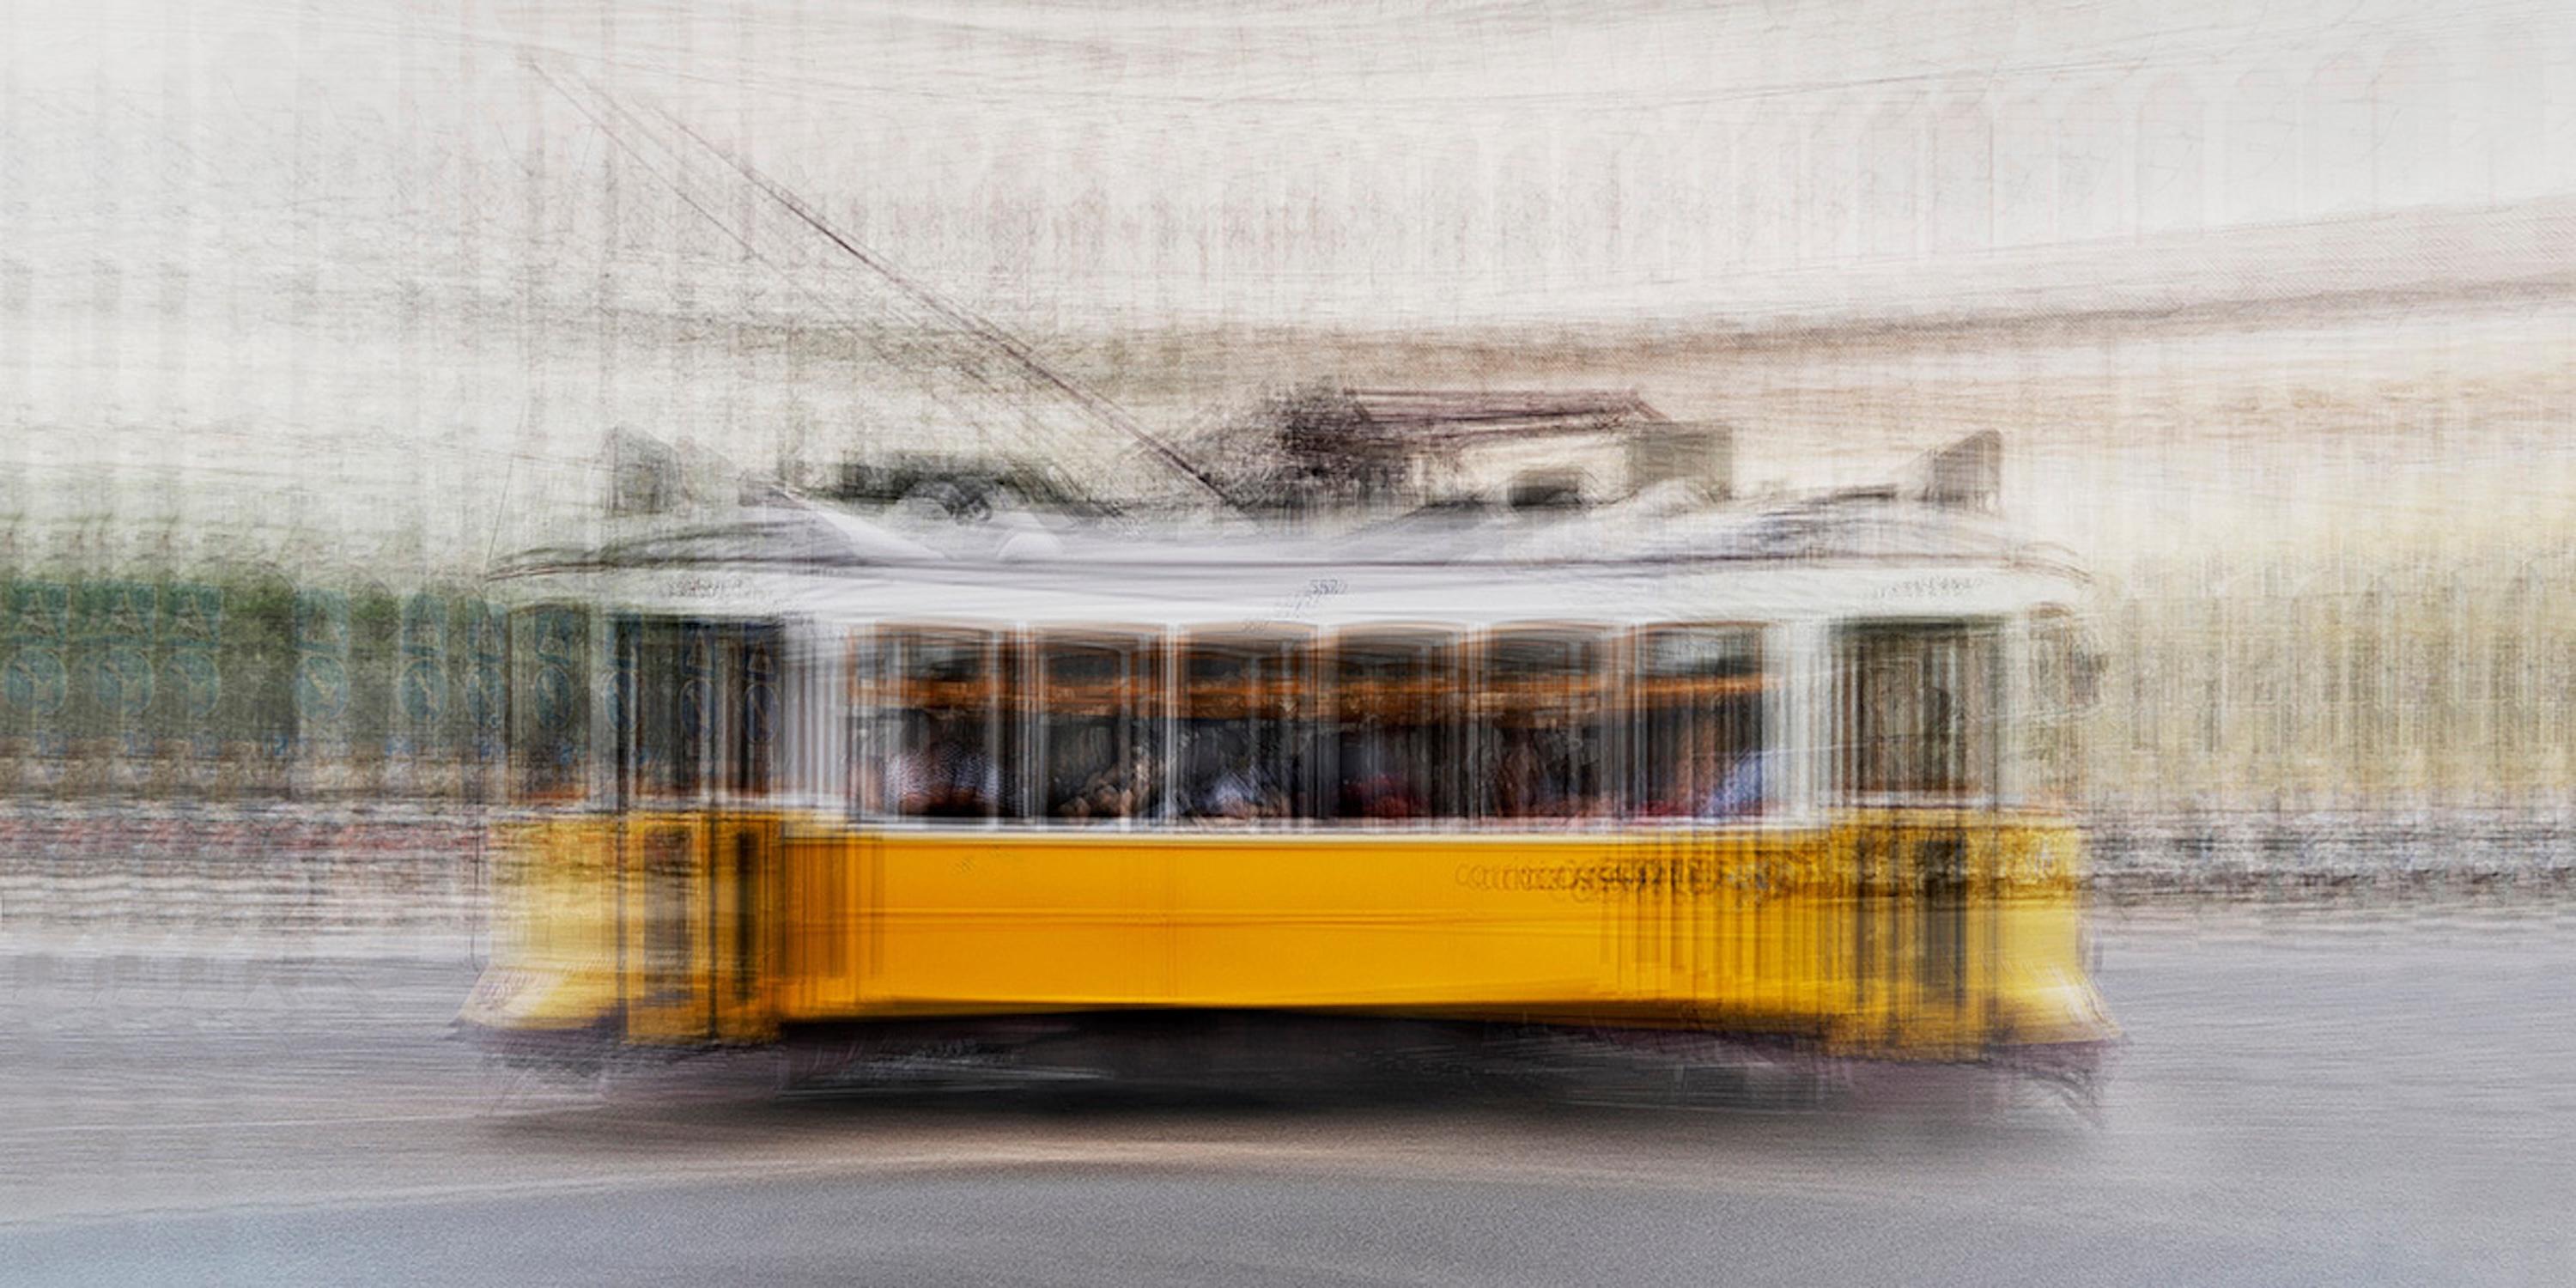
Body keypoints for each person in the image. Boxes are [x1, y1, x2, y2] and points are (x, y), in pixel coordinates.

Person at [887, 714, 999, 817]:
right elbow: (905, 803)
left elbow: (953, 797)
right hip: (913, 823)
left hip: (951, 819)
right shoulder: (901, 761)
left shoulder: (951, 752)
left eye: (935, 728)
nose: (932, 733)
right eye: (924, 729)